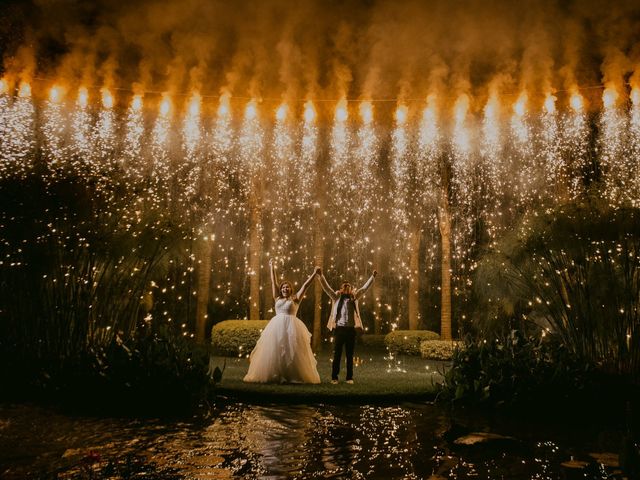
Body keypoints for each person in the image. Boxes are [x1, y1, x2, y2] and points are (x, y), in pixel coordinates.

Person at [243, 259, 321, 384]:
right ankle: (275, 374)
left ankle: (291, 374)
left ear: (291, 289)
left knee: (291, 351)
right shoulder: (277, 298)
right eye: (283, 287)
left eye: (287, 287)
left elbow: (305, 286)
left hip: (292, 328)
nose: (285, 288)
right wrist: (271, 267)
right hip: (276, 327)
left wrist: (314, 273)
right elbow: (274, 282)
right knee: (275, 350)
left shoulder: (295, 299)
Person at [317, 268, 377, 384]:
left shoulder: (354, 298)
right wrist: (321, 275)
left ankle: (349, 378)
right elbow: (326, 288)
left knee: (350, 356)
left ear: (351, 289)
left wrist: (372, 277)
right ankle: (334, 377)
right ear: (341, 288)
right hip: (339, 330)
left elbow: (364, 289)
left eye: (348, 286)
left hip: (350, 330)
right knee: (337, 355)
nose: (346, 287)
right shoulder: (336, 297)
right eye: (344, 286)